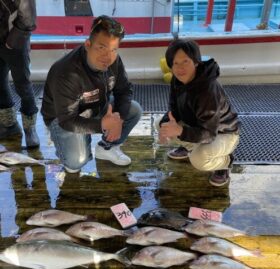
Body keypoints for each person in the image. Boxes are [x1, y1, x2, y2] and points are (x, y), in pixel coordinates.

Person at [41, 15, 142, 173]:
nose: (107, 56)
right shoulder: (66, 72)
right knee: (76, 163)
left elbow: (124, 90)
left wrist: (119, 120)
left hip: (96, 107)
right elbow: (67, 119)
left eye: (113, 49)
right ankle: (67, 147)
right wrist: (102, 126)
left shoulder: (114, 60)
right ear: (88, 44)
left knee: (134, 110)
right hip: (63, 118)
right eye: (101, 47)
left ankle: (106, 147)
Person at [158, 39, 240, 187]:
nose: (180, 68)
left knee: (199, 159)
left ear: (196, 62)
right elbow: (173, 109)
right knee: (160, 124)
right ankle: (189, 147)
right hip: (197, 126)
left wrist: (180, 131)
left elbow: (209, 134)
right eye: (175, 63)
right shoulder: (177, 79)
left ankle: (225, 162)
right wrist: (165, 129)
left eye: (185, 61)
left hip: (223, 133)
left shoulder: (207, 89)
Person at [0, 0, 39, 147]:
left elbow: (28, 18)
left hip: (15, 41)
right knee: (0, 83)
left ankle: (30, 129)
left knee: (23, 84)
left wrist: (12, 42)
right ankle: (9, 125)